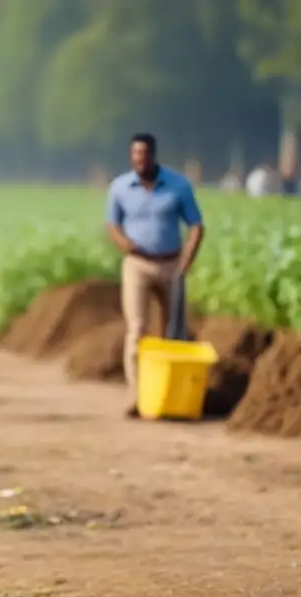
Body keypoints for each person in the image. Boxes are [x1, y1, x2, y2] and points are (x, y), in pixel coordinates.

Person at [105, 133, 205, 418]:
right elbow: (112, 224)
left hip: (172, 264)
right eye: (135, 155)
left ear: (153, 155)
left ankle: (172, 395)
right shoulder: (120, 188)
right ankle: (136, 396)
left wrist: (186, 261)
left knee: (174, 331)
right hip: (137, 264)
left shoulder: (178, 186)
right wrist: (123, 243)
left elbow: (196, 226)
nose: (139, 160)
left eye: (144, 155)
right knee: (136, 329)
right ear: (130, 156)